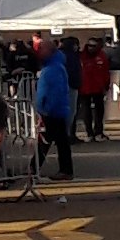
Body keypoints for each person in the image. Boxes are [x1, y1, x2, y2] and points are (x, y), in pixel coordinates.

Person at [33, 40, 76, 182]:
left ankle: (35, 168)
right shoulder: (54, 66)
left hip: (52, 110)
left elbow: (53, 91)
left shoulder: (53, 68)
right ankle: (63, 170)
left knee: (47, 140)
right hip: (54, 109)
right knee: (57, 141)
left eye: (42, 49)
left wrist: (45, 108)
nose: (39, 51)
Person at [76, 36, 112, 142]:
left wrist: (106, 85)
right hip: (85, 88)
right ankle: (89, 133)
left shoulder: (101, 56)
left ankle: (98, 132)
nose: (91, 48)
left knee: (99, 111)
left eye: (93, 46)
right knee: (86, 111)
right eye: (89, 45)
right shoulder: (82, 57)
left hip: (98, 88)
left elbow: (105, 71)